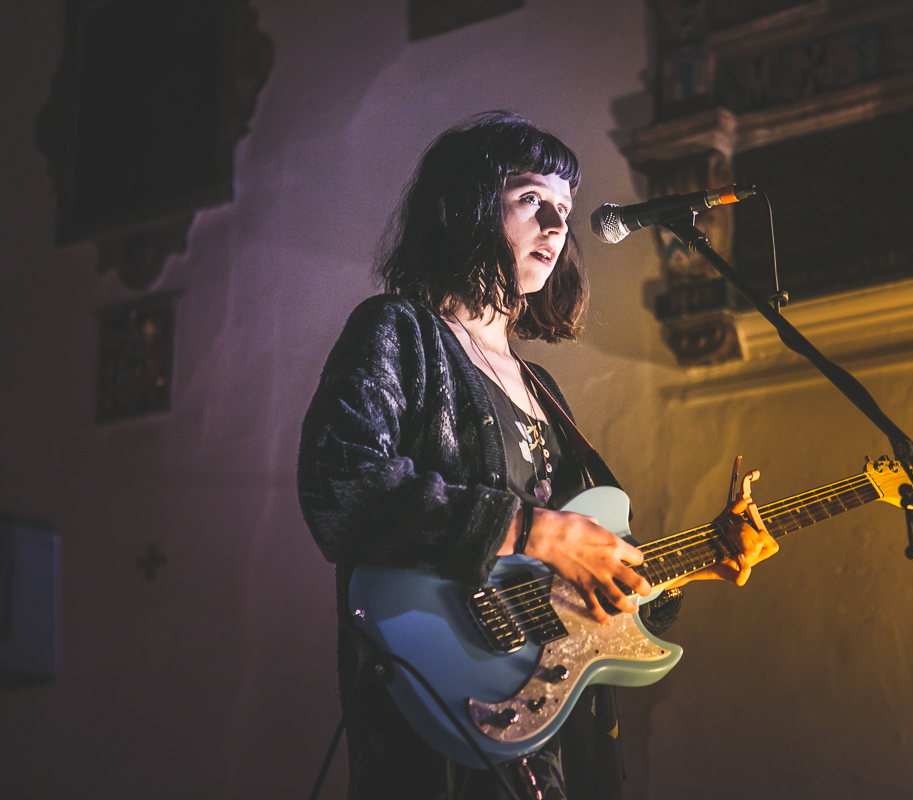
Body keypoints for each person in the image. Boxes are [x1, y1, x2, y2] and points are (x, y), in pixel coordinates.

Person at [297, 112, 778, 800]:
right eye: (531, 199)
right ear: (464, 206)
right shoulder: (399, 331)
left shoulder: (542, 387)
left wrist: (701, 558)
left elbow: (577, 591)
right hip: (437, 734)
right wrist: (537, 531)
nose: (557, 226)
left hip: (558, 740)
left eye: (565, 210)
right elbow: (340, 485)